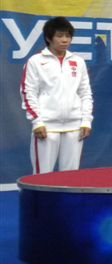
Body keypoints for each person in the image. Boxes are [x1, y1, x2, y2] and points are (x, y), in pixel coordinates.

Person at [20, 17, 93, 174]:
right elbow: (28, 93)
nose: (65, 40)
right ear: (48, 38)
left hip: (75, 128)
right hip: (46, 127)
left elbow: (85, 93)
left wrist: (86, 121)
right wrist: (37, 122)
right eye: (59, 36)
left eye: (68, 36)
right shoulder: (35, 61)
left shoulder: (78, 61)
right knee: (42, 177)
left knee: (71, 177)